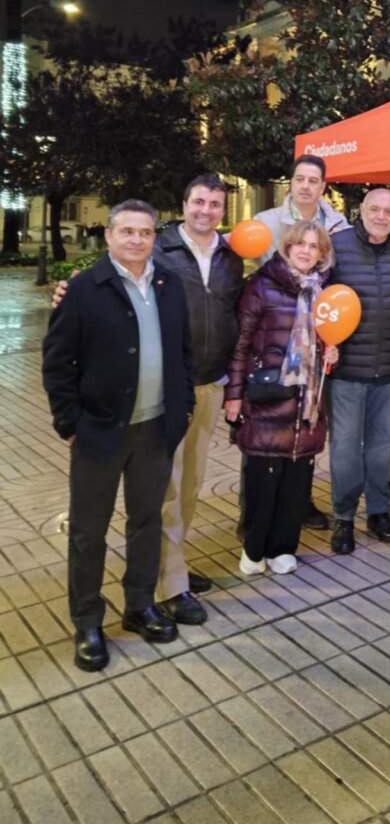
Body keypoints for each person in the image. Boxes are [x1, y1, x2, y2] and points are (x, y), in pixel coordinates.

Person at [42, 200, 194, 672]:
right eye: (126, 231)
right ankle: (88, 621)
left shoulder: (169, 285)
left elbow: (184, 353)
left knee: (146, 520)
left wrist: (183, 408)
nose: (136, 240)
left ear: (154, 237)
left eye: (144, 232)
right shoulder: (84, 290)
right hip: (100, 432)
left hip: (156, 427)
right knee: (89, 531)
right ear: (108, 236)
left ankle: (138, 606)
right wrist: (70, 424)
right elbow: (56, 364)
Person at [150, 175, 244, 623]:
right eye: (199, 202)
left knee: (191, 482)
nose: (206, 210)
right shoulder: (158, 249)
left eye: (215, 205)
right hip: (167, 387)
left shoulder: (231, 256)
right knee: (165, 484)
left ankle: (173, 565)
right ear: (184, 204)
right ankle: (168, 582)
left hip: (211, 383)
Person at [223, 220, 337, 574]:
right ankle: (254, 548)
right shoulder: (261, 286)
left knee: (296, 481)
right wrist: (234, 396)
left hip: (308, 403)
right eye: (299, 244)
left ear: (321, 254)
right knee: (263, 478)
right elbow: (240, 344)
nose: (305, 250)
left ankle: (283, 547)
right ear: (287, 247)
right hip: (268, 397)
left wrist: (334, 352)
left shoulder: (324, 292)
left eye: (313, 246)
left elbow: (329, 338)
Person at [327, 189, 390, 555]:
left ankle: (379, 512)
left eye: (389, 210)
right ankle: (345, 516)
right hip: (347, 368)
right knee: (346, 448)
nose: (381, 216)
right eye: (375, 209)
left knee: (384, 446)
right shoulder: (337, 246)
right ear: (361, 211)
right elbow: (321, 303)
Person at [255, 154, 347, 261]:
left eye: (312, 181)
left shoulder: (339, 224)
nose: (305, 186)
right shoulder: (263, 222)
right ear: (292, 182)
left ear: (322, 187)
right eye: (300, 179)